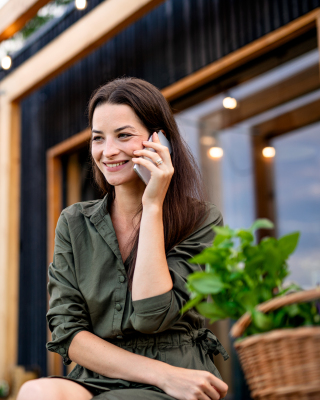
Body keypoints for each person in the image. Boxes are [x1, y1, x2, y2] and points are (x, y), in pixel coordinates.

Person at [17, 78, 230, 400]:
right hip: (106, 376)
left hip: (177, 380)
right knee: (35, 391)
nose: (109, 151)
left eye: (124, 135)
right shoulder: (75, 222)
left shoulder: (200, 219)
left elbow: (152, 313)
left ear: (160, 141)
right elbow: (68, 332)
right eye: (98, 138)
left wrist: (153, 204)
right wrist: (164, 375)